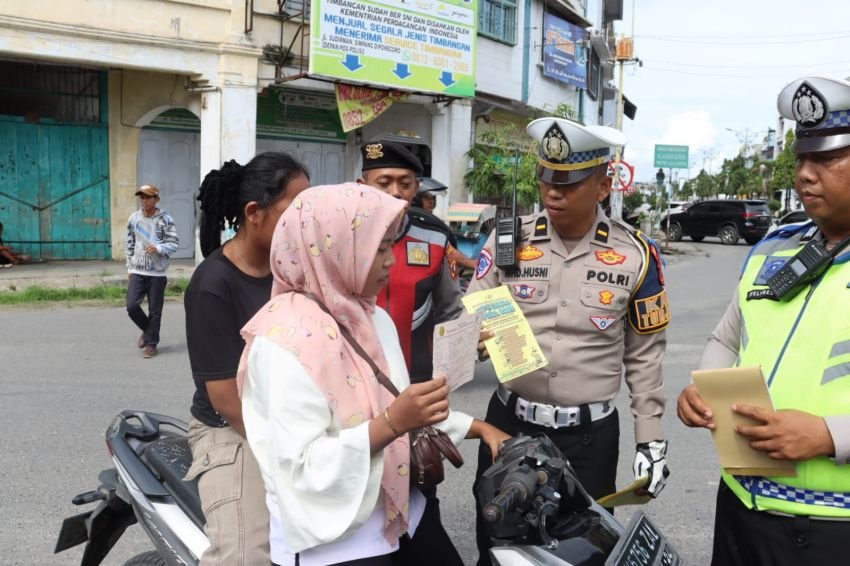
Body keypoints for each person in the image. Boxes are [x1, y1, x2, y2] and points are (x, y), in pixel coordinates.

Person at [239, 183, 510, 566]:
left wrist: (478, 428)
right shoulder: (283, 341)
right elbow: (301, 467)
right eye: (376, 249)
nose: (390, 262)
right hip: (334, 543)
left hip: (401, 512)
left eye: (389, 247)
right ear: (333, 249)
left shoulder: (370, 316)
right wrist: (391, 424)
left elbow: (397, 403)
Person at [468, 117, 671, 565]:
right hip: (510, 427)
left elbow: (645, 358)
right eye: (546, 180)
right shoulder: (509, 240)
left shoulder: (636, 255)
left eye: (569, 183)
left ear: (602, 186)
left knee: (583, 553)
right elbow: (471, 313)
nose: (552, 194)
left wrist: (650, 440)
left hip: (588, 440)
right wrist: (471, 339)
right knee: (499, 551)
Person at [677, 76, 850, 566]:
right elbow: (726, 337)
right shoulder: (774, 250)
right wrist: (703, 389)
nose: (805, 175)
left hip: (834, 528)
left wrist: (830, 435)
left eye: (826, 159)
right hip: (741, 510)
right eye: (801, 158)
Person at [183, 153, 310, 566]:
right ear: (254, 213)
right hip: (233, 431)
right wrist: (286, 450)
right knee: (246, 556)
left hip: (291, 421)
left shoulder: (292, 270)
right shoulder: (212, 284)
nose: (305, 224)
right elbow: (225, 399)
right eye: (295, 212)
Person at [356, 140, 463, 383]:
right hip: (355, 382)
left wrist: (448, 376)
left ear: (416, 188)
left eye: (405, 184)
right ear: (362, 186)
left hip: (419, 382)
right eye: (384, 183)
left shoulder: (437, 238)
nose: (395, 192)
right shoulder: (340, 239)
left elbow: (450, 312)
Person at [125, 185, 179, 358]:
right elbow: (129, 243)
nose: (145, 200)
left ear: (157, 199)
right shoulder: (134, 218)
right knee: (132, 306)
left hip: (157, 272)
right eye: (142, 197)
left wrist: (158, 248)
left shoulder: (165, 219)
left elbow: (174, 243)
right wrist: (129, 267)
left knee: (155, 311)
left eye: (148, 197)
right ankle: (149, 332)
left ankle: (151, 345)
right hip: (138, 270)